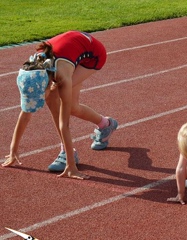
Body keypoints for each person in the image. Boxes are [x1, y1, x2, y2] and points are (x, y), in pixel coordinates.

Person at [2, 31, 118, 180]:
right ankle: (106, 124)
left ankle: (67, 152)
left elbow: (65, 125)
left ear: (47, 82)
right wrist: (13, 150)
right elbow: (25, 113)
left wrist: (71, 166)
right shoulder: (32, 69)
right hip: (72, 51)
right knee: (72, 107)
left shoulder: (62, 77)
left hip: (93, 55)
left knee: (60, 102)